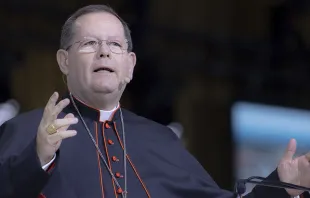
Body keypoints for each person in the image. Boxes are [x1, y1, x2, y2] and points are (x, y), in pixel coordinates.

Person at [1, 4, 310, 198]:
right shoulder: (24, 130)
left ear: (131, 66)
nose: (104, 52)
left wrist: (280, 186)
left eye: (114, 45)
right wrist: (38, 157)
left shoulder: (161, 139)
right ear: (64, 60)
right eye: (90, 43)